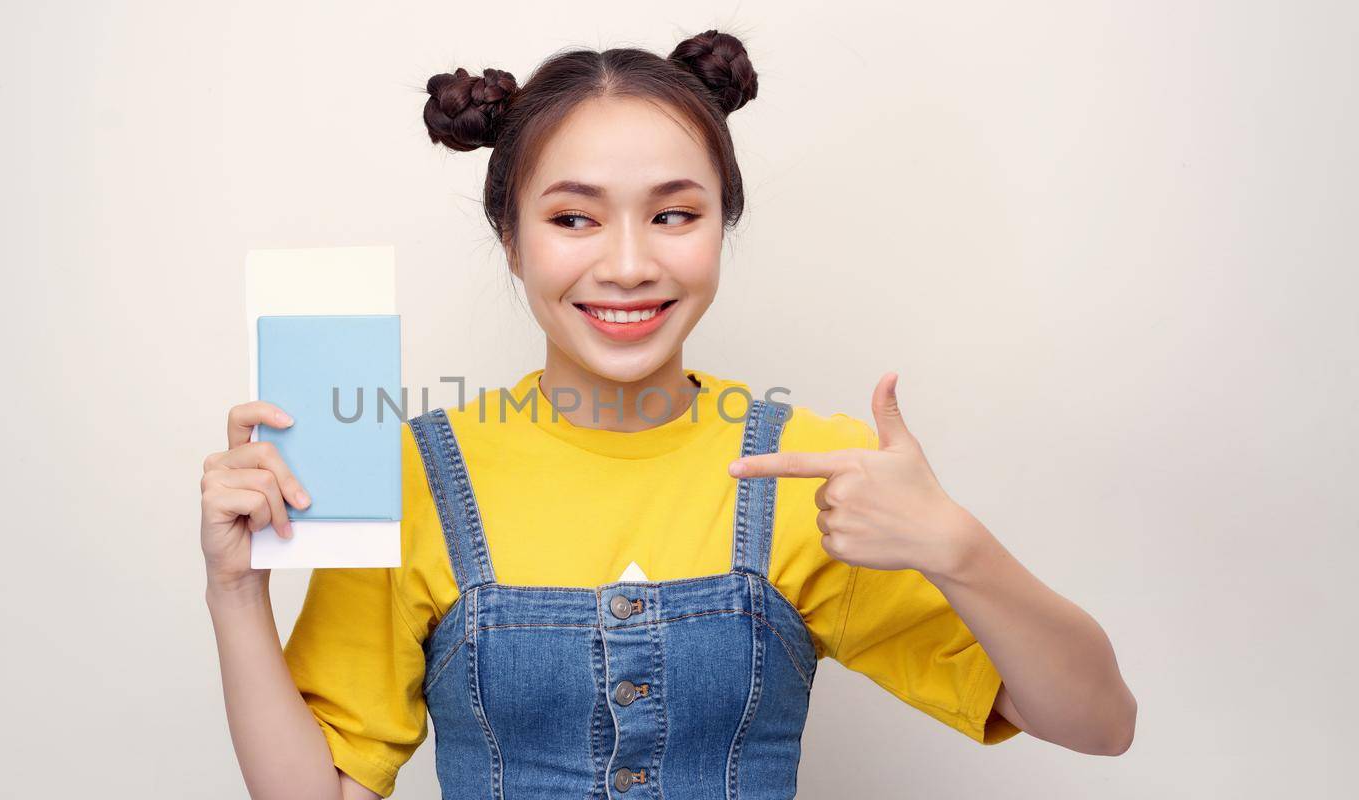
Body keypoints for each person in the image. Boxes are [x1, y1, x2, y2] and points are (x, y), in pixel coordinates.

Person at [198, 29, 1137, 799]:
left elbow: (1098, 723)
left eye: (674, 215)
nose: (628, 264)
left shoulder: (816, 468)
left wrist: (955, 544)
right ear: (510, 240)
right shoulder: (408, 471)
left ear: (722, 224)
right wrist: (237, 592)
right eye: (573, 218)